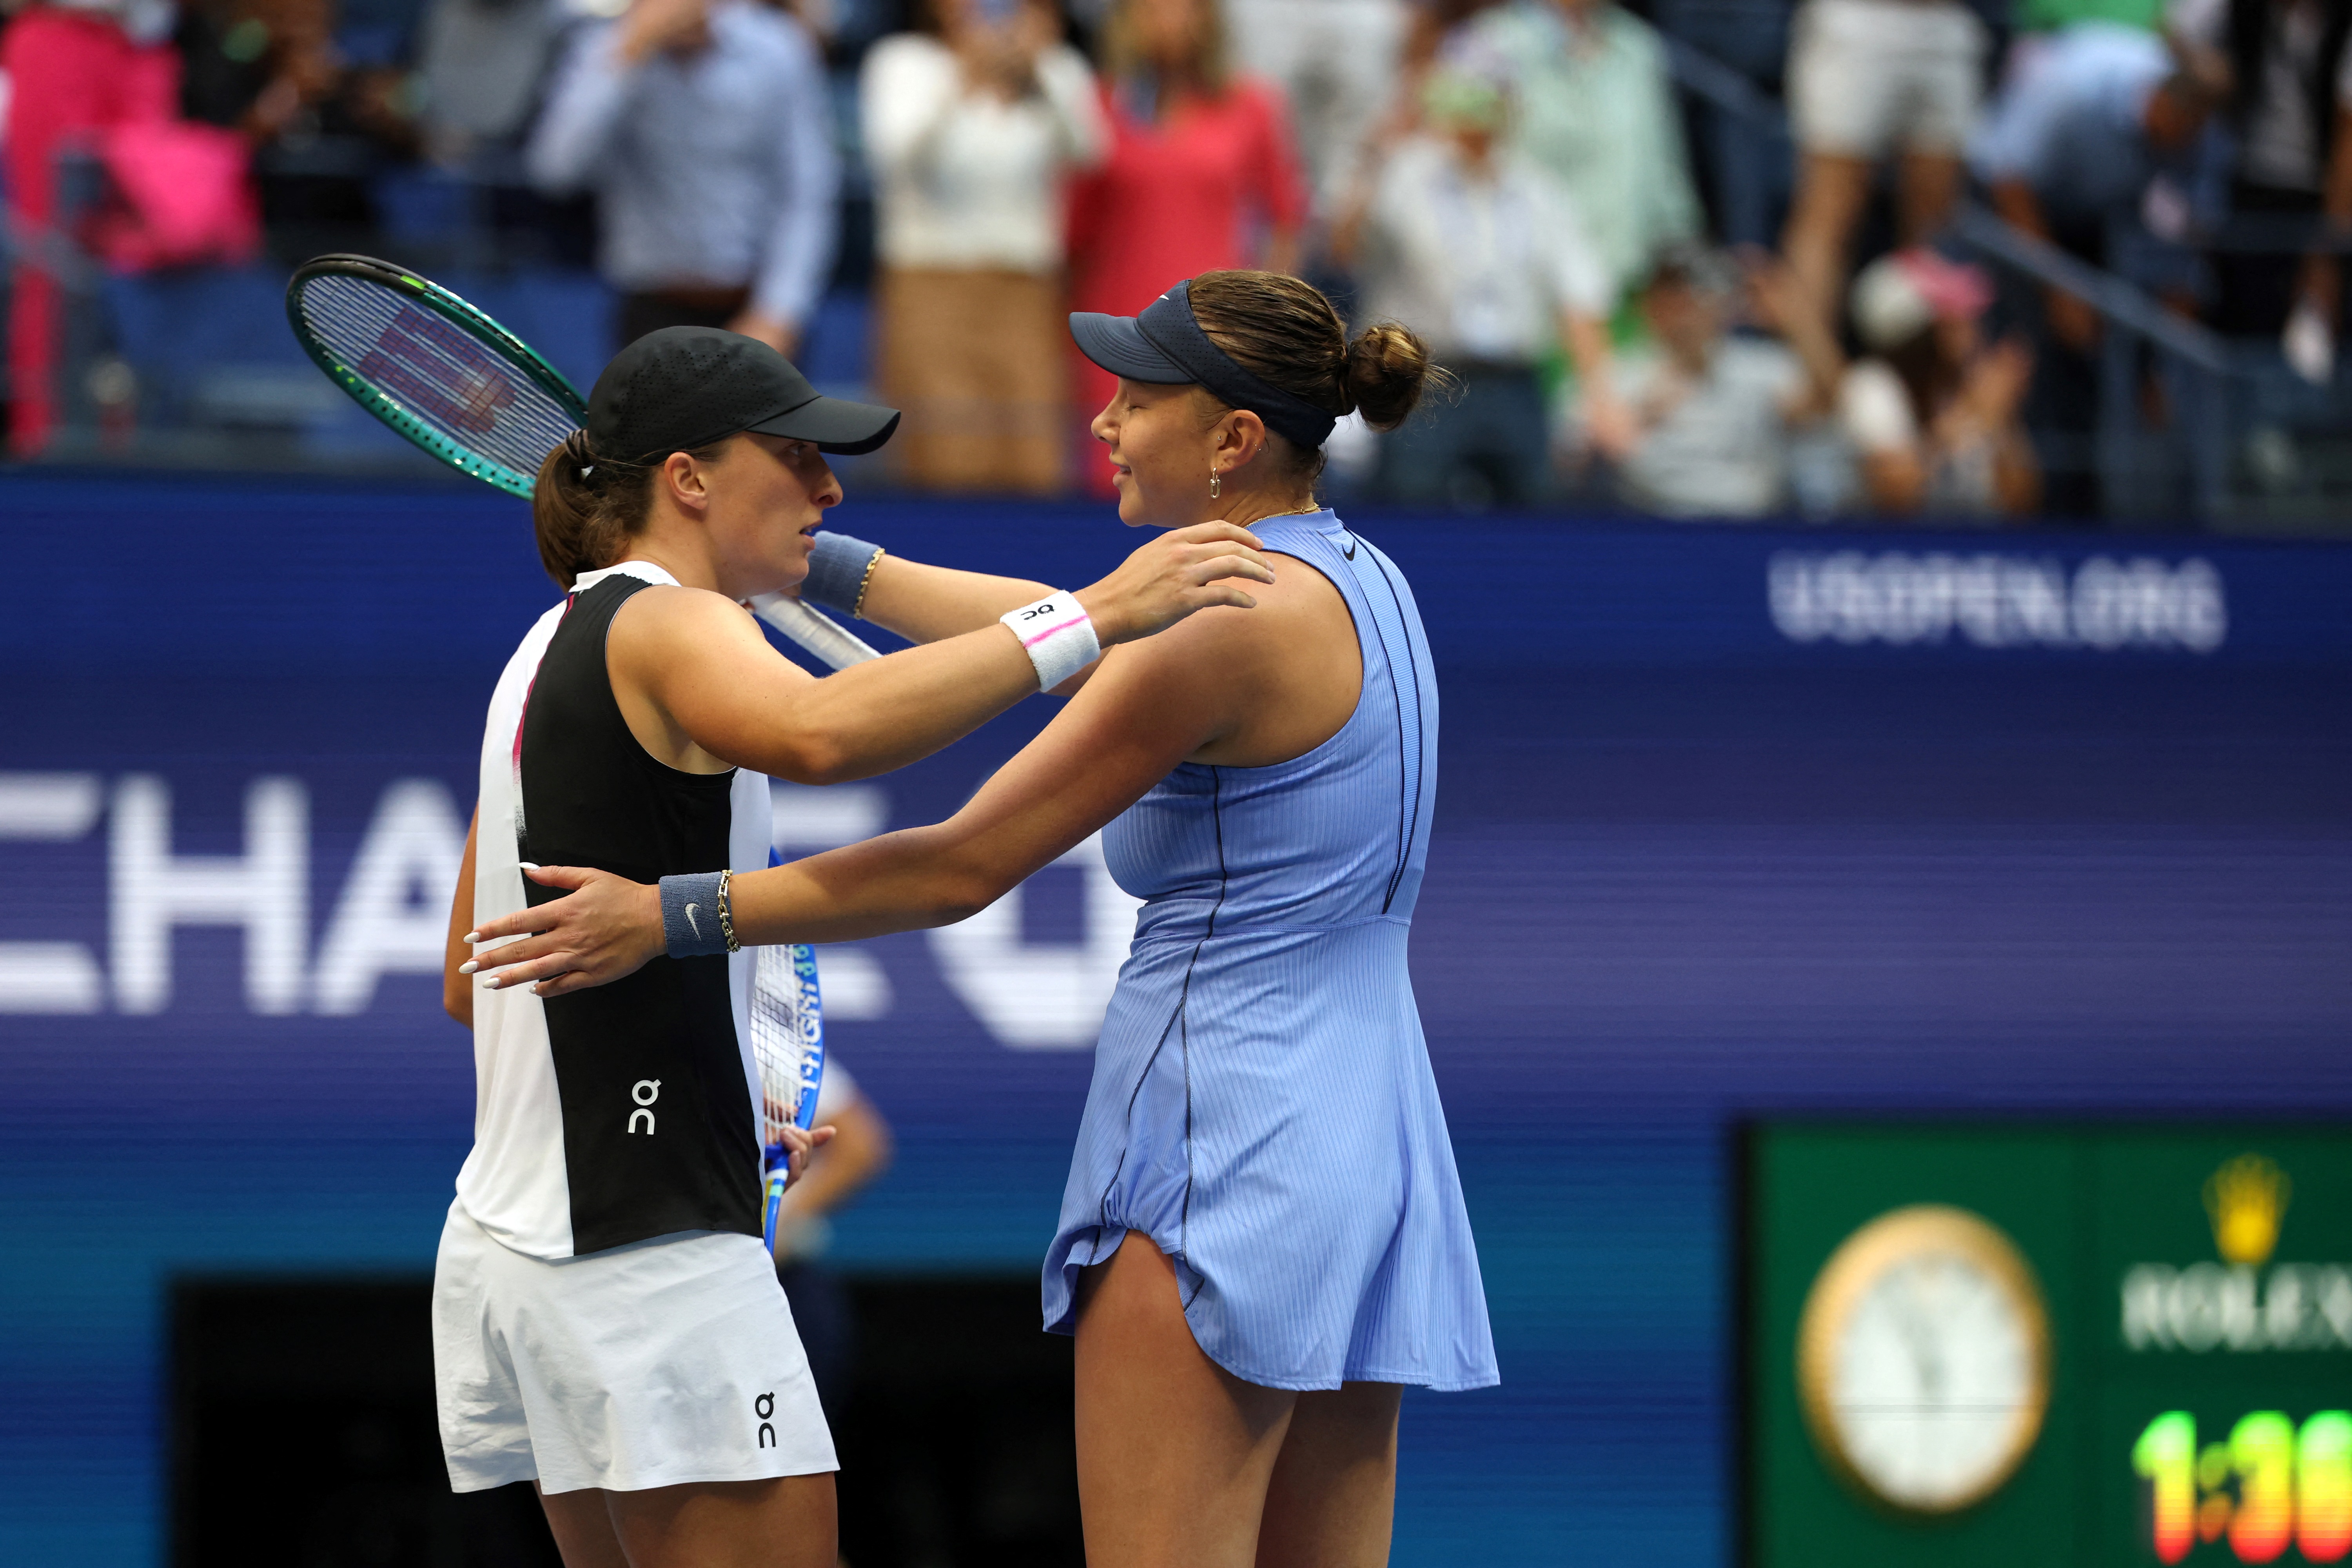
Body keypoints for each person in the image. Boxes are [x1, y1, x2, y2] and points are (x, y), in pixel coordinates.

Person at [461, 271, 1499, 1568]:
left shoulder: (1210, 634)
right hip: (1375, 1143)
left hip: (1220, 1140)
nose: (1104, 424)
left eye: (1136, 398)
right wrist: (811, 559)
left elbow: (956, 867)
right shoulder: (1355, 582)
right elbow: (1051, 625)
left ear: (1233, 440)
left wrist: (672, 915)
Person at [1329, 63, 1626, 505]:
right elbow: (1345, 249)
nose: (1479, 120)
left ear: (1512, 111)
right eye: (1468, 103)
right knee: (1411, 506)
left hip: (1515, 380)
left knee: (1541, 510)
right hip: (1422, 377)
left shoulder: (1537, 191)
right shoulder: (1406, 174)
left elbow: (1577, 293)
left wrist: (1601, 397)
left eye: (1492, 104)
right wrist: (1377, 156)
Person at [860, 0, 1107, 493]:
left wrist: (1039, 74)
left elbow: (1092, 153)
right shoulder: (903, 61)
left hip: (1026, 288)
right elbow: (894, 157)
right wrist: (963, 79)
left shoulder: (1055, 64)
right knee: (942, 453)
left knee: (1033, 448)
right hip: (929, 283)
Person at [1065, 0, 1310, 493]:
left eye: (1186, 9)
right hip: (1117, 332)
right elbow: (1075, 233)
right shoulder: (1098, 104)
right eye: (1152, 10)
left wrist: (1264, 324)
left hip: (1214, 336)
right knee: (1116, 484)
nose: (1169, 21)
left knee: (1209, 487)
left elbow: (1288, 216)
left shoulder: (1252, 104)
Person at [526, 0, 838, 357]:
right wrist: (626, 55)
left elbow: (807, 193)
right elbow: (556, 172)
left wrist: (781, 312)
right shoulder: (605, 49)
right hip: (653, 309)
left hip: (757, 306)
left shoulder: (776, 48)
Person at [1450, 0, 1702, 297]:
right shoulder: (1488, 42)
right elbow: (1459, 162)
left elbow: (1663, 168)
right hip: (1523, 290)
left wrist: (1679, 249)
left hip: (1626, 282)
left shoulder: (1638, 45)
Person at [1778, 0, 1990, 336]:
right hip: (1856, 18)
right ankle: (1808, 370)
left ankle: (1924, 376)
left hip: (1946, 21)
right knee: (1830, 208)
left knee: (1936, 225)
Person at [2167, 0, 2352, 380]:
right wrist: (2212, 76)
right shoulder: (2237, 10)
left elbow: (2347, 133)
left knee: (2317, 326)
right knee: (2246, 315)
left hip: (2319, 190)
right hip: (2245, 182)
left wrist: (2328, 246)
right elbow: (2173, 27)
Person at [1606, 243, 1846, 519]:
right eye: (1673, 296)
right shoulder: (1620, 377)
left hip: (1748, 532)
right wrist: (1642, 412)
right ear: (1650, 304)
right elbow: (1581, 462)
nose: (1686, 312)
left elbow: (1829, 401)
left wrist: (1794, 317)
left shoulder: (1758, 367)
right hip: (1650, 533)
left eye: (1696, 296)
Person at [1840, 249, 2043, 517]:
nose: (1971, 325)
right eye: (1950, 320)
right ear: (1913, 332)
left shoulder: (1967, 381)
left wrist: (2002, 420)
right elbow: (1897, 496)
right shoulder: (1871, 385)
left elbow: (2022, 502)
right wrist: (1970, 412)